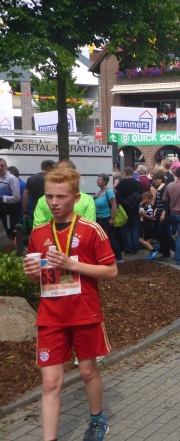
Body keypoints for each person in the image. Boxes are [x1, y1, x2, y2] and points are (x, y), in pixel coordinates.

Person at [22, 167, 118, 441]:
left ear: (76, 198)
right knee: (50, 382)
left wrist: (72, 264)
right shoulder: (38, 233)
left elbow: (111, 271)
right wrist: (30, 273)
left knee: (87, 372)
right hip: (51, 317)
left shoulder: (91, 230)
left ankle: (97, 420)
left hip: (84, 312)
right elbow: (35, 277)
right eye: (49, 196)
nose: (53, 202)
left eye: (60, 197)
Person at [32, 160, 97, 227]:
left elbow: (38, 227)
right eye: (49, 196)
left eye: (61, 196)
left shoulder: (42, 200)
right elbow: (90, 227)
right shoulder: (87, 200)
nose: (54, 202)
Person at [93, 173, 123, 263]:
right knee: (102, 238)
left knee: (110, 238)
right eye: (97, 179)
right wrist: (94, 197)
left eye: (99, 179)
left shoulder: (109, 192)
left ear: (105, 181)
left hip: (107, 218)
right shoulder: (98, 192)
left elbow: (114, 205)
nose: (97, 181)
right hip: (99, 219)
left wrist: (112, 218)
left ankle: (119, 257)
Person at [115, 167, 142, 255]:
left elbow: (115, 191)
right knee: (134, 228)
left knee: (125, 229)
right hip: (134, 208)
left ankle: (128, 248)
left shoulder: (123, 182)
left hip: (124, 209)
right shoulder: (138, 183)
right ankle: (136, 247)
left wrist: (116, 183)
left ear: (125, 173)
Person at [23, 159, 56, 224]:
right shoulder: (52, 179)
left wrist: (25, 213)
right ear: (49, 168)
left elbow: (25, 197)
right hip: (50, 209)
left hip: (35, 209)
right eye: (54, 169)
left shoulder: (31, 179)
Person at [0, 157, 21, 237]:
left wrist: (2, 198)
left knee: (9, 234)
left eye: (2, 166)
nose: (0, 168)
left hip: (8, 212)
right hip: (1, 211)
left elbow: (17, 197)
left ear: (6, 167)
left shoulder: (12, 179)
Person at [138, 191, 159, 260]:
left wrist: (143, 215)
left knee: (141, 240)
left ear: (150, 199)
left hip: (146, 225)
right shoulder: (145, 206)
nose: (144, 200)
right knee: (147, 240)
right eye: (143, 199)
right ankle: (151, 253)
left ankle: (153, 251)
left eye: (145, 199)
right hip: (145, 225)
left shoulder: (149, 207)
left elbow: (152, 217)